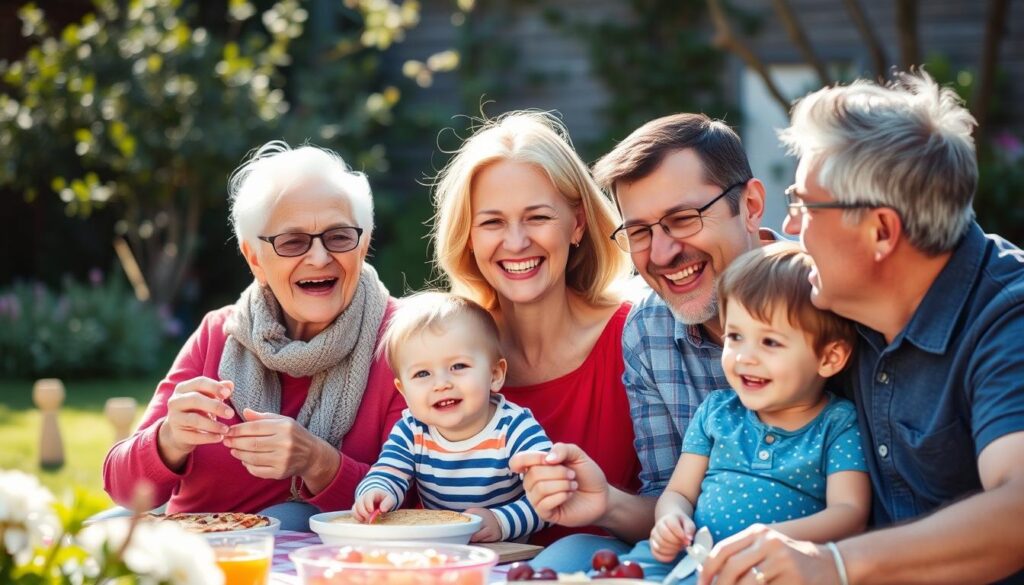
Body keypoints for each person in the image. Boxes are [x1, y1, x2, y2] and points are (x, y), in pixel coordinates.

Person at [697, 72, 1024, 585]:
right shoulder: (840, 303)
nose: (789, 227)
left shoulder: (1009, 321)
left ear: (880, 231)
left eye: (804, 205)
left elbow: (1018, 511)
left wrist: (838, 565)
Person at [511, 113, 773, 569]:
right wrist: (607, 504)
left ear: (750, 206)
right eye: (639, 231)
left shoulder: (827, 301)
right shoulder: (648, 330)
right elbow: (672, 505)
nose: (662, 253)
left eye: (684, 219)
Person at [104, 142, 404, 531]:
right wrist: (169, 439)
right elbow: (122, 487)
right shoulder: (219, 332)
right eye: (292, 241)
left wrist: (319, 463)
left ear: (362, 245)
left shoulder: (402, 340)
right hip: (191, 556)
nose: (318, 258)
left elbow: (423, 504)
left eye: (339, 236)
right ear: (255, 259)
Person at [431, 111, 641, 545]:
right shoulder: (442, 353)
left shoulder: (636, 339)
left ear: (577, 224)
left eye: (538, 217)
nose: (516, 242)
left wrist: (609, 505)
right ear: (468, 236)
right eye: (492, 222)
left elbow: (693, 514)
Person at [619, 242, 869, 582]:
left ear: (829, 358)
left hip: (768, 569)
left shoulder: (836, 424)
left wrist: (774, 540)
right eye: (735, 336)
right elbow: (678, 492)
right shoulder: (717, 413)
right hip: (692, 554)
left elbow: (850, 512)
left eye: (769, 342)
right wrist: (671, 519)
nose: (745, 356)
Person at [352, 291, 553, 542]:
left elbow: (551, 498)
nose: (441, 384)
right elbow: (388, 471)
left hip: (509, 555)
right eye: (422, 374)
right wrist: (376, 492)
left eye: (458, 366)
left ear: (495, 374)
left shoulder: (514, 428)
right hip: (440, 552)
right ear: (403, 391)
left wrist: (501, 522)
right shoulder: (411, 431)